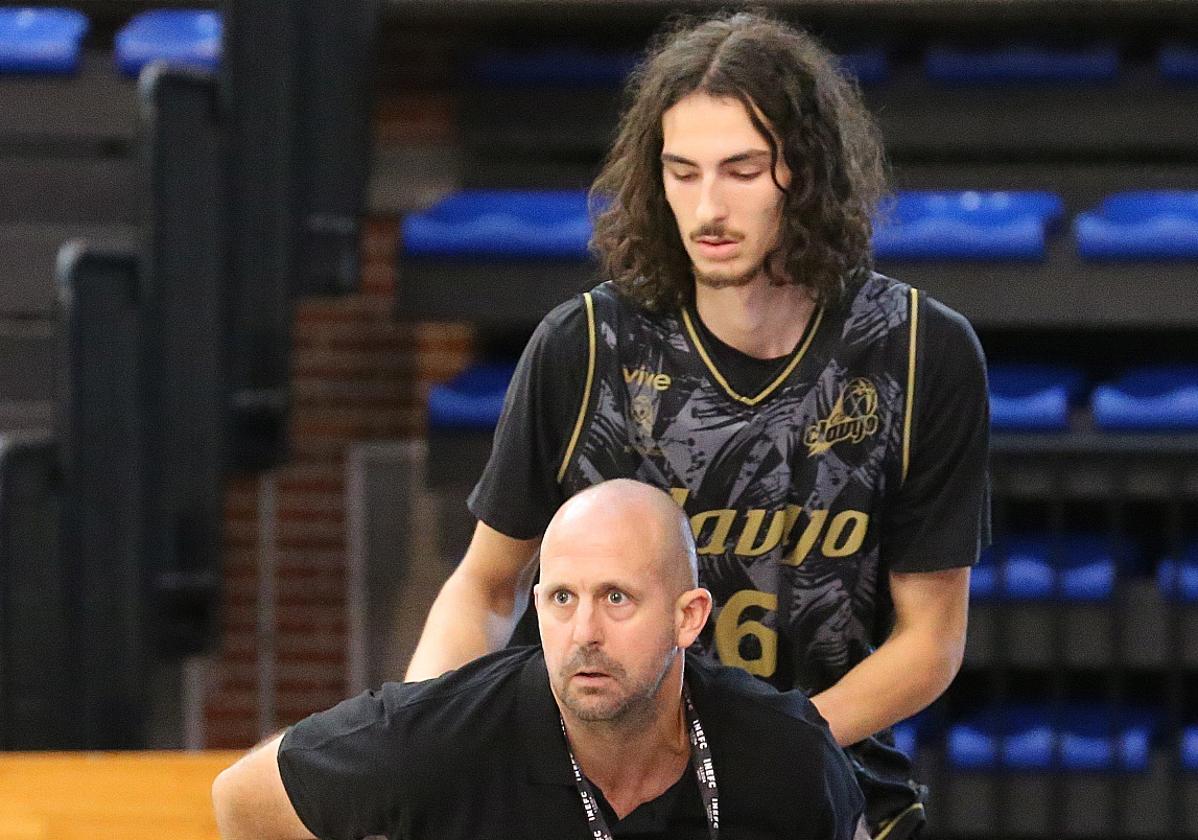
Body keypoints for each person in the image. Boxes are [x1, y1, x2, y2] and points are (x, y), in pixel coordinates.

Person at [405, 12, 989, 839]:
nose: (708, 206)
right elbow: (487, 582)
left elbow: (931, 639)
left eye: (742, 171)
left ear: (806, 172)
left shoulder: (921, 351)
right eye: (682, 173)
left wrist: (770, 751)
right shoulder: (586, 347)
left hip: (829, 771)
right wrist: (420, 745)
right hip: (610, 788)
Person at [211, 479, 864, 839]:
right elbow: (244, 800)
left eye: (616, 598)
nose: (584, 632)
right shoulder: (442, 736)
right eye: (560, 598)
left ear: (687, 617)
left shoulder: (788, 753)